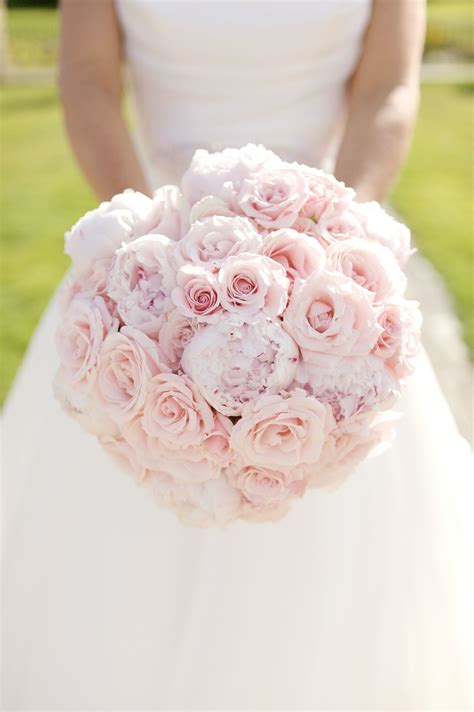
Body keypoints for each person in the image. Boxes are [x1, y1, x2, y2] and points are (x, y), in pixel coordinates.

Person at [3, 1, 473, 709]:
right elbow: (89, 77)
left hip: (329, 270)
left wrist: (337, 240)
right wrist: (147, 244)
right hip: (152, 261)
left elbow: (388, 88)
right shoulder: (147, 259)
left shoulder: (334, 257)